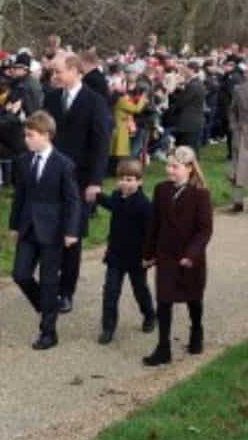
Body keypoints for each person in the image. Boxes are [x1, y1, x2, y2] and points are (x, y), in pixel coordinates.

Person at [42, 52, 111, 314]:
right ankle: (50, 280)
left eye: (58, 71)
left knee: (72, 235)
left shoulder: (94, 101)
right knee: (49, 229)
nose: (54, 76)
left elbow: (101, 143)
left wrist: (95, 181)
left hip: (80, 180)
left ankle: (66, 290)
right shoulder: (50, 98)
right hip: (51, 177)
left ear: (74, 70)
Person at [9, 111, 81, 351]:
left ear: (46, 135)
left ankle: (48, 332)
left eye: (30, 135)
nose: (26, 140)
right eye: (25, 135)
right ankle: (46, 305)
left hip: (53, 230)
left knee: (50, 281)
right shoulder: (23, 161)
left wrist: (71, 230)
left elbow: (73, 200)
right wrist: (14, 225)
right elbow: (20, 195)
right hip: (29, 227)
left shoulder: (64, 164)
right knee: (20, 274)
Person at [142, 146, 213, 366]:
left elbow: (204, 229)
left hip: (190, 258)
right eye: (168, 165)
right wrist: (149, 253)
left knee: (193, 298)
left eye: (175, 166)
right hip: (166, 254)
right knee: (164, 300)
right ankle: (163, 347)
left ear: (190, 168)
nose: (169, 170)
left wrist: (192, 254)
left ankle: (196, 330)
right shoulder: (161, 190)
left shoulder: (201, 194)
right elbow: (154, 224)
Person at [95, 159, 156, 345]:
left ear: (139, 181)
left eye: (130, 179)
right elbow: (111, 204)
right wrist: (97, 196)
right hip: (115, 255)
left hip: (137, 258)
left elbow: (151, 234)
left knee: (140, 289)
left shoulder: (145, 206)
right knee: (111, 291)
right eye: (121, 179)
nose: (125, 183)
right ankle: (108, 327)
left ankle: (149, 315)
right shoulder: (116, 196)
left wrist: (149, 257)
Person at [230, 74, 248, 212]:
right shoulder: (238, 89)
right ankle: (237, 201)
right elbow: (232, 110)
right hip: (242, 132)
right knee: (238, 166)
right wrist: (234, 126)